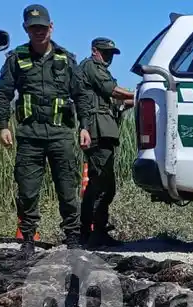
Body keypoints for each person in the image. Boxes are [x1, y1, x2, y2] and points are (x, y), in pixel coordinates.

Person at [0, 4, 93, 257]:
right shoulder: (17, 58)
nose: (38, 32)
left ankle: (72, 237)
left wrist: (85, 127)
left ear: (51, 27)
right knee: (27, 190)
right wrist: (3, 126)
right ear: (25, 29)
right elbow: (3, 94)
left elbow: (81, 95)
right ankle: (28, 238)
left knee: (67, 188)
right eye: (33, 28)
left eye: (42, 27)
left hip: (61, 134)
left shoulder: (66, 59)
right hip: (29, 135)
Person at [76, 37, 135, 248]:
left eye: (111, 53)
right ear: (94, 51)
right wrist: (140, 93)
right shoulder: (92, 67)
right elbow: (113, 90)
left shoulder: (99, 69)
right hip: (97, 130)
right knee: (104, 184)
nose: (109, 57)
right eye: (105, 52)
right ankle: (95, 232)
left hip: (104, 129)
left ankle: (89, 231)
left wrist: (139, 99)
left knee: (97, 183)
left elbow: (117, 99)